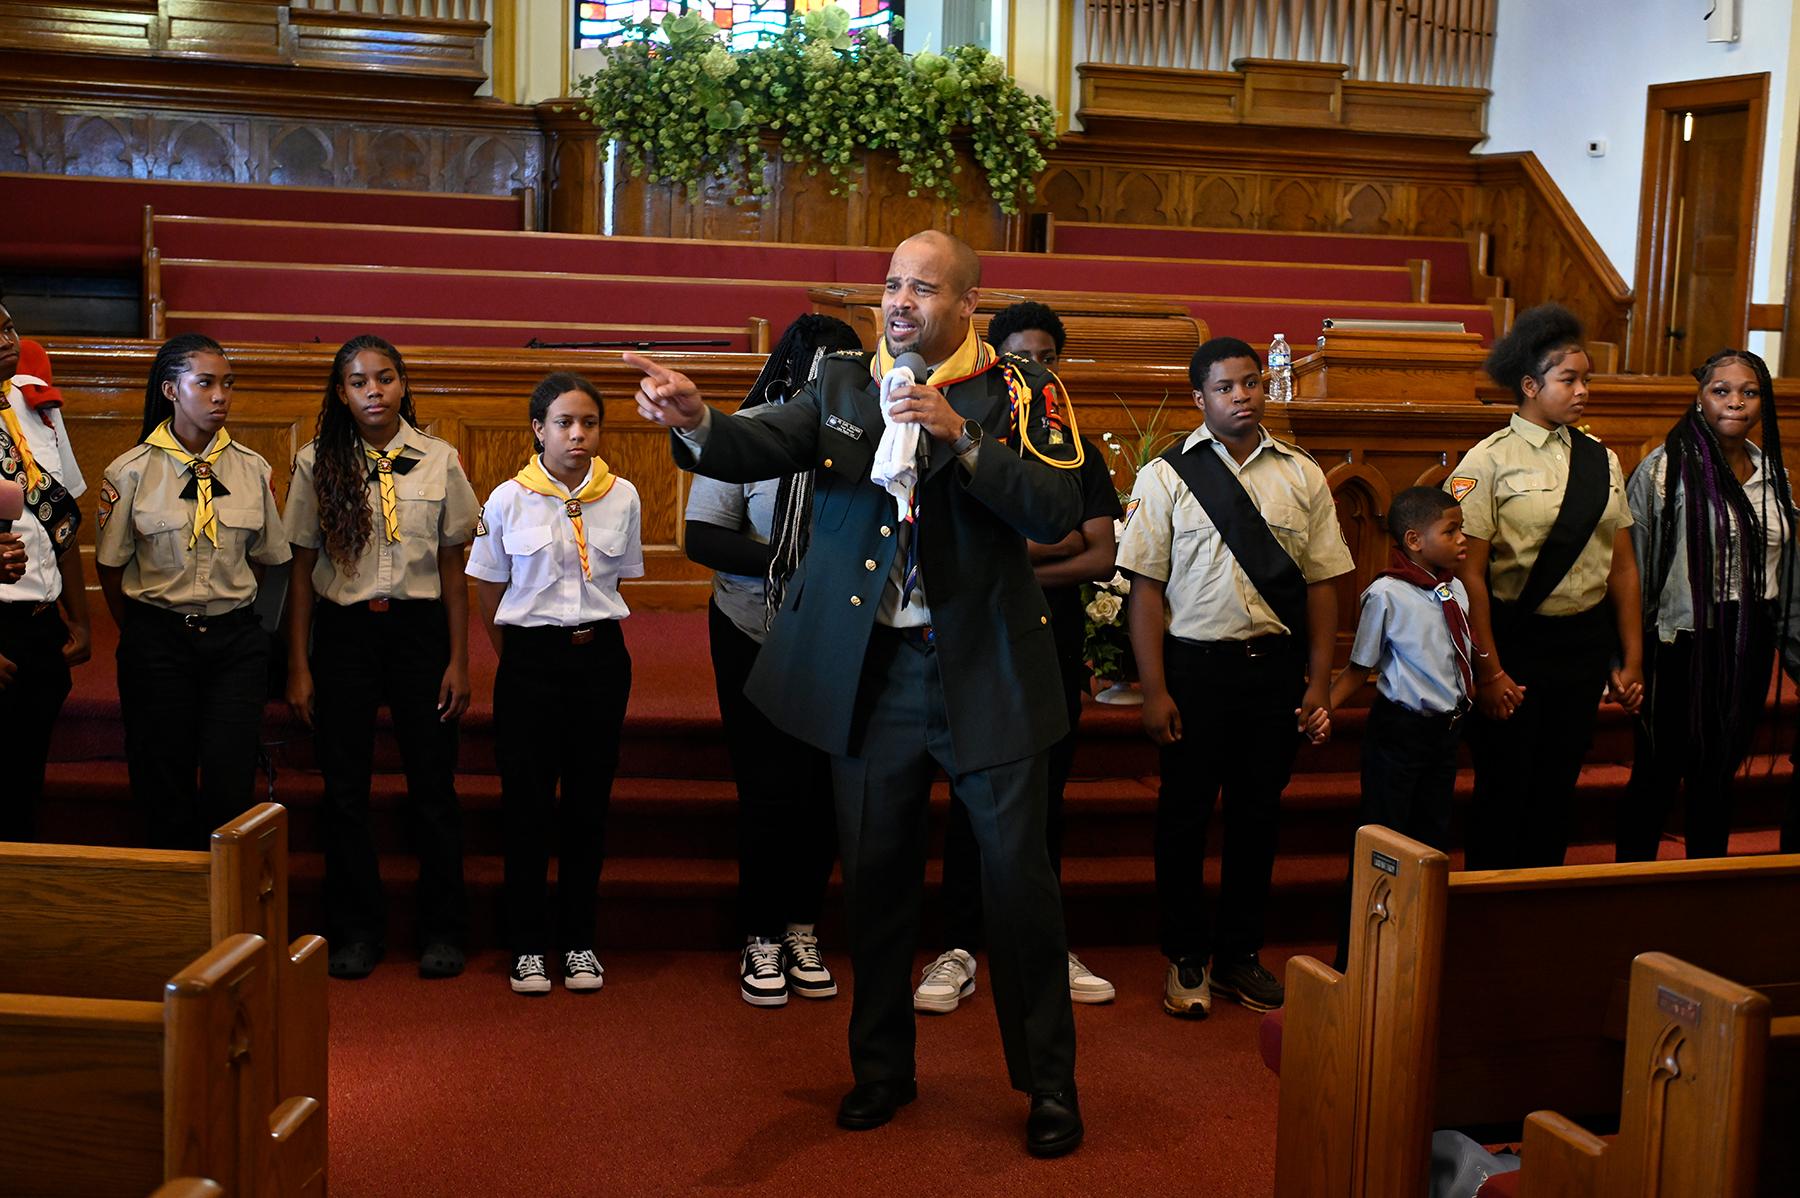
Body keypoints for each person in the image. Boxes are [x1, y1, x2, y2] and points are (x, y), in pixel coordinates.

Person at [629, 230, 1089, 1158]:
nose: (900, 301)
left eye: (923, 288)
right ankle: (881, 1070)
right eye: (891, 285)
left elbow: (1055, 511)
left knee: (1018, 888)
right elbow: (759, 443)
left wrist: (962, 442)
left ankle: (1048, 1085)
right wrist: (695, 420)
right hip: (875, 670)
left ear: (967, 304)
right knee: (875, 883)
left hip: (986, 669)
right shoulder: (844, 380)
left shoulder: (1020, 390)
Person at [1118, 336, 1352, 1020]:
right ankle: (1186, 955)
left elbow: (1322, 583)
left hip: (1274, 672)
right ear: (1200, 398)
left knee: (1259, 817)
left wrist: (1318, 680)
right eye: (1226, 387)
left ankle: (1239, 956)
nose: (1242, 396)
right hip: (1196, 670)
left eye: (1251, 383)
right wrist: (1155, 689)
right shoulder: (1165, 476)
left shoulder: (1301, 474)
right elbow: (1146, 593)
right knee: (1184, 817)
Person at [921, 300, 1121, 1012]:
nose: (1034, 369)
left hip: (1050, 643)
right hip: (977, 638)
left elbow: (1095, 550)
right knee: (970, 801)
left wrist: (1017, 552)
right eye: (1020, 356)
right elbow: (1050, 540)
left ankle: (1043, 942)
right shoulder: (959, 442)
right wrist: (1044, 545)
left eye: (1048, 357)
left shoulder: (1078, 455)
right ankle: (956, 948)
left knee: (1045, 799)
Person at [283, 335, 479, 979]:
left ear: (402, 384)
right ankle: (357, 930)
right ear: (341, 393)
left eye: (385, 378)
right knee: (345, 790)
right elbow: (303, 566)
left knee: (433, 786)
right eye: (359, 381)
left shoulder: (438, 458)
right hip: (345, 635)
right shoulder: (316, 460)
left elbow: (455, 565)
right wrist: (300, 664)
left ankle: (443, 930)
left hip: (420, 633)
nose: (374, 391)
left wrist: (460, 659)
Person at [684, 314, 861, 1007]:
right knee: (767, 788)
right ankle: (759, 935)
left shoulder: (870, 438)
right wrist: (794, 564)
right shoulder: (750, 428)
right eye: (822, 364)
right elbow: (703, 537)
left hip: (835, 637)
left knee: (823, 791)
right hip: (750, 627)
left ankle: (801, 928)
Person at [1448, 304, 1643, 870]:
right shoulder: (1487, 461)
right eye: (1569, 380)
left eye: (1587, 379)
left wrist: (1631, 658)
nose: (1583, 390)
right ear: (1530, 386)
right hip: (1516, 643)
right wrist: (1488, 668)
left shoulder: (1601, 458)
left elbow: (1623, 568)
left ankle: (1538, 913)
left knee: (1557, 789)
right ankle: (1488, 912)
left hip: (1581, 646)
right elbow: (1470, 576)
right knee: (1504, 789)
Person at [467, 372, 642, 996]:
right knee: (528, 805)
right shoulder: (507, 499)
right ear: (538, 429)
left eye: (589, 423)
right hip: (530, 662)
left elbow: (617, 581)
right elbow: (490, 590)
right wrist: (521, 656)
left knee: (589, 803)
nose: (577, 434)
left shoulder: (622, 495)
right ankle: (527, 946)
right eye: (564, 423)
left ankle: (578, 942)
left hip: (599, 660)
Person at [95, 333, 290, 850]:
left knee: (231, 786)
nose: (220, 395)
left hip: (235, 644)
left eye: (228, 384)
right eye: (205, 383)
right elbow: (111, 568)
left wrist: (235, 619)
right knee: (163, 785)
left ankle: (227, 919)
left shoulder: (253, 469)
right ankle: (175, 917)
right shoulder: (131, 471)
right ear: (170, 389)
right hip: (158, 642)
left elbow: (266, 560)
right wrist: (144, 631)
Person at [1617, 348, 1793, 862]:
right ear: (1699, 397)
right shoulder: (1664, 470)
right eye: (1722, 391)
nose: (1736, 401)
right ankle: (1627, 893)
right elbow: (1631, 572)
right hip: (1680, 641)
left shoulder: (1770, 473)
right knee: (1657, 772)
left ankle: (1705, 893)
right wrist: (1628, 658)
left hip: (1750, 639)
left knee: (1719, 773)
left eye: (1750, 392)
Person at [1324, 486, 1472, 969]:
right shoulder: (1385, 594)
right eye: (1450, 530)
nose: (1462, 538)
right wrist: (1321, 709)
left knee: (1431, 842)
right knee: (1382, 841)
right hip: (1399, 732)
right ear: (1414, 539)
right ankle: (1358, 956)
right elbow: (1358, 668)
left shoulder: (1454, 588)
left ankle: (1414, 953)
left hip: (1443, 734)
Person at [0, 307, 92, 841]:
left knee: (23, 785)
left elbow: (62, 521)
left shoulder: (35, 403)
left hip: (40, 623)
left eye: (10, 327)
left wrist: (79, 620)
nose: (8, 340)